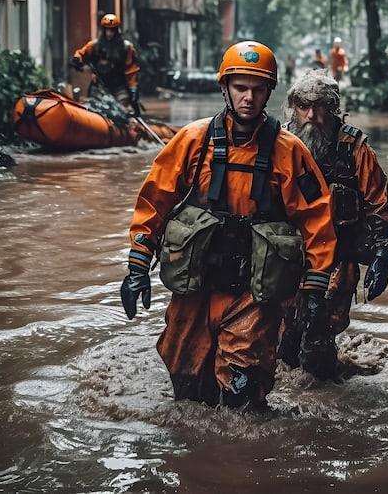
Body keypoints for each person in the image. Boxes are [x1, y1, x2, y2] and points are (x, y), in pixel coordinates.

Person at [119, 41, 338, 410]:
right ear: (225, 88)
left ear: (269, 92)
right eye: (240, 88)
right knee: (188, 393)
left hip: (254, 294)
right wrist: (137, 265)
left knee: (241, 397)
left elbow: (316, 219)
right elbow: (154, 202)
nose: (249, 97)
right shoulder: (191, 141)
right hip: (196, 289)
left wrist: (314, 291)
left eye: (257, 89)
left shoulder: (290, 152)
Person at [278, 69, 388, 380]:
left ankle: (322, 400)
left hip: (337, 260)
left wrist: (383, 255)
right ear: (294, 107)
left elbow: (379, 203)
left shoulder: (355, 149)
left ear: (332, 108)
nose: (311, 115)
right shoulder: (279, 144)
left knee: (319, 345)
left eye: (319, 106)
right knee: (283, 341)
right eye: (303, 106)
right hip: (288, 256)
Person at [71, 13, 141, 115]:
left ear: (116, 31)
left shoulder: (126, 48)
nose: (109, 33)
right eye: (107, 30)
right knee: (93, 113)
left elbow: (132, 70)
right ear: (103, 30)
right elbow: (81, 53)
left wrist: (133, 89)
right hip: (99, 88)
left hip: (119, 89)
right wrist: (77, 60)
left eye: (112, 30)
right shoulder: (94, 46)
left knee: (123, 114)